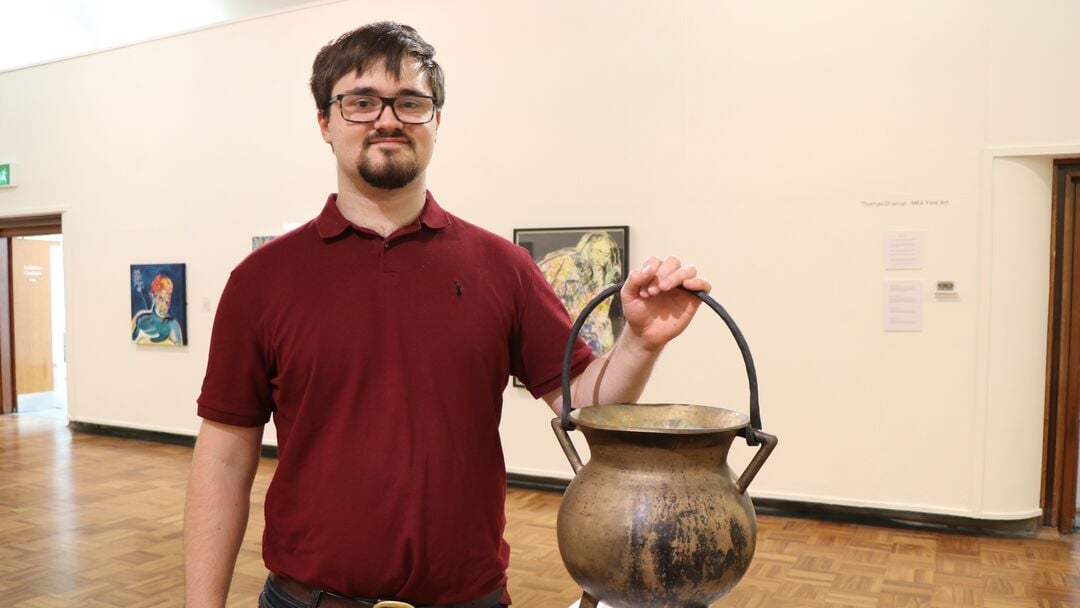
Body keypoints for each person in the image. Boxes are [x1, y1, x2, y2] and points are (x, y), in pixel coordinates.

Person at [183, 21, 711, 608]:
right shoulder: (261, 281)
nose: (387, 119)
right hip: (307, 598)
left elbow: (582, 402)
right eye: (361, 103)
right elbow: (226, 455)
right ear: (325, 124)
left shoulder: (501, 267)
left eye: (411, 102)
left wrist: (640, 342)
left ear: (436, 122)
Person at [131, 273, 184, 345]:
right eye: (161, 299)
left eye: (167, 301)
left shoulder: (173, 325)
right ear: (153, 295)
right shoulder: (140, 316)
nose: (165, 306)